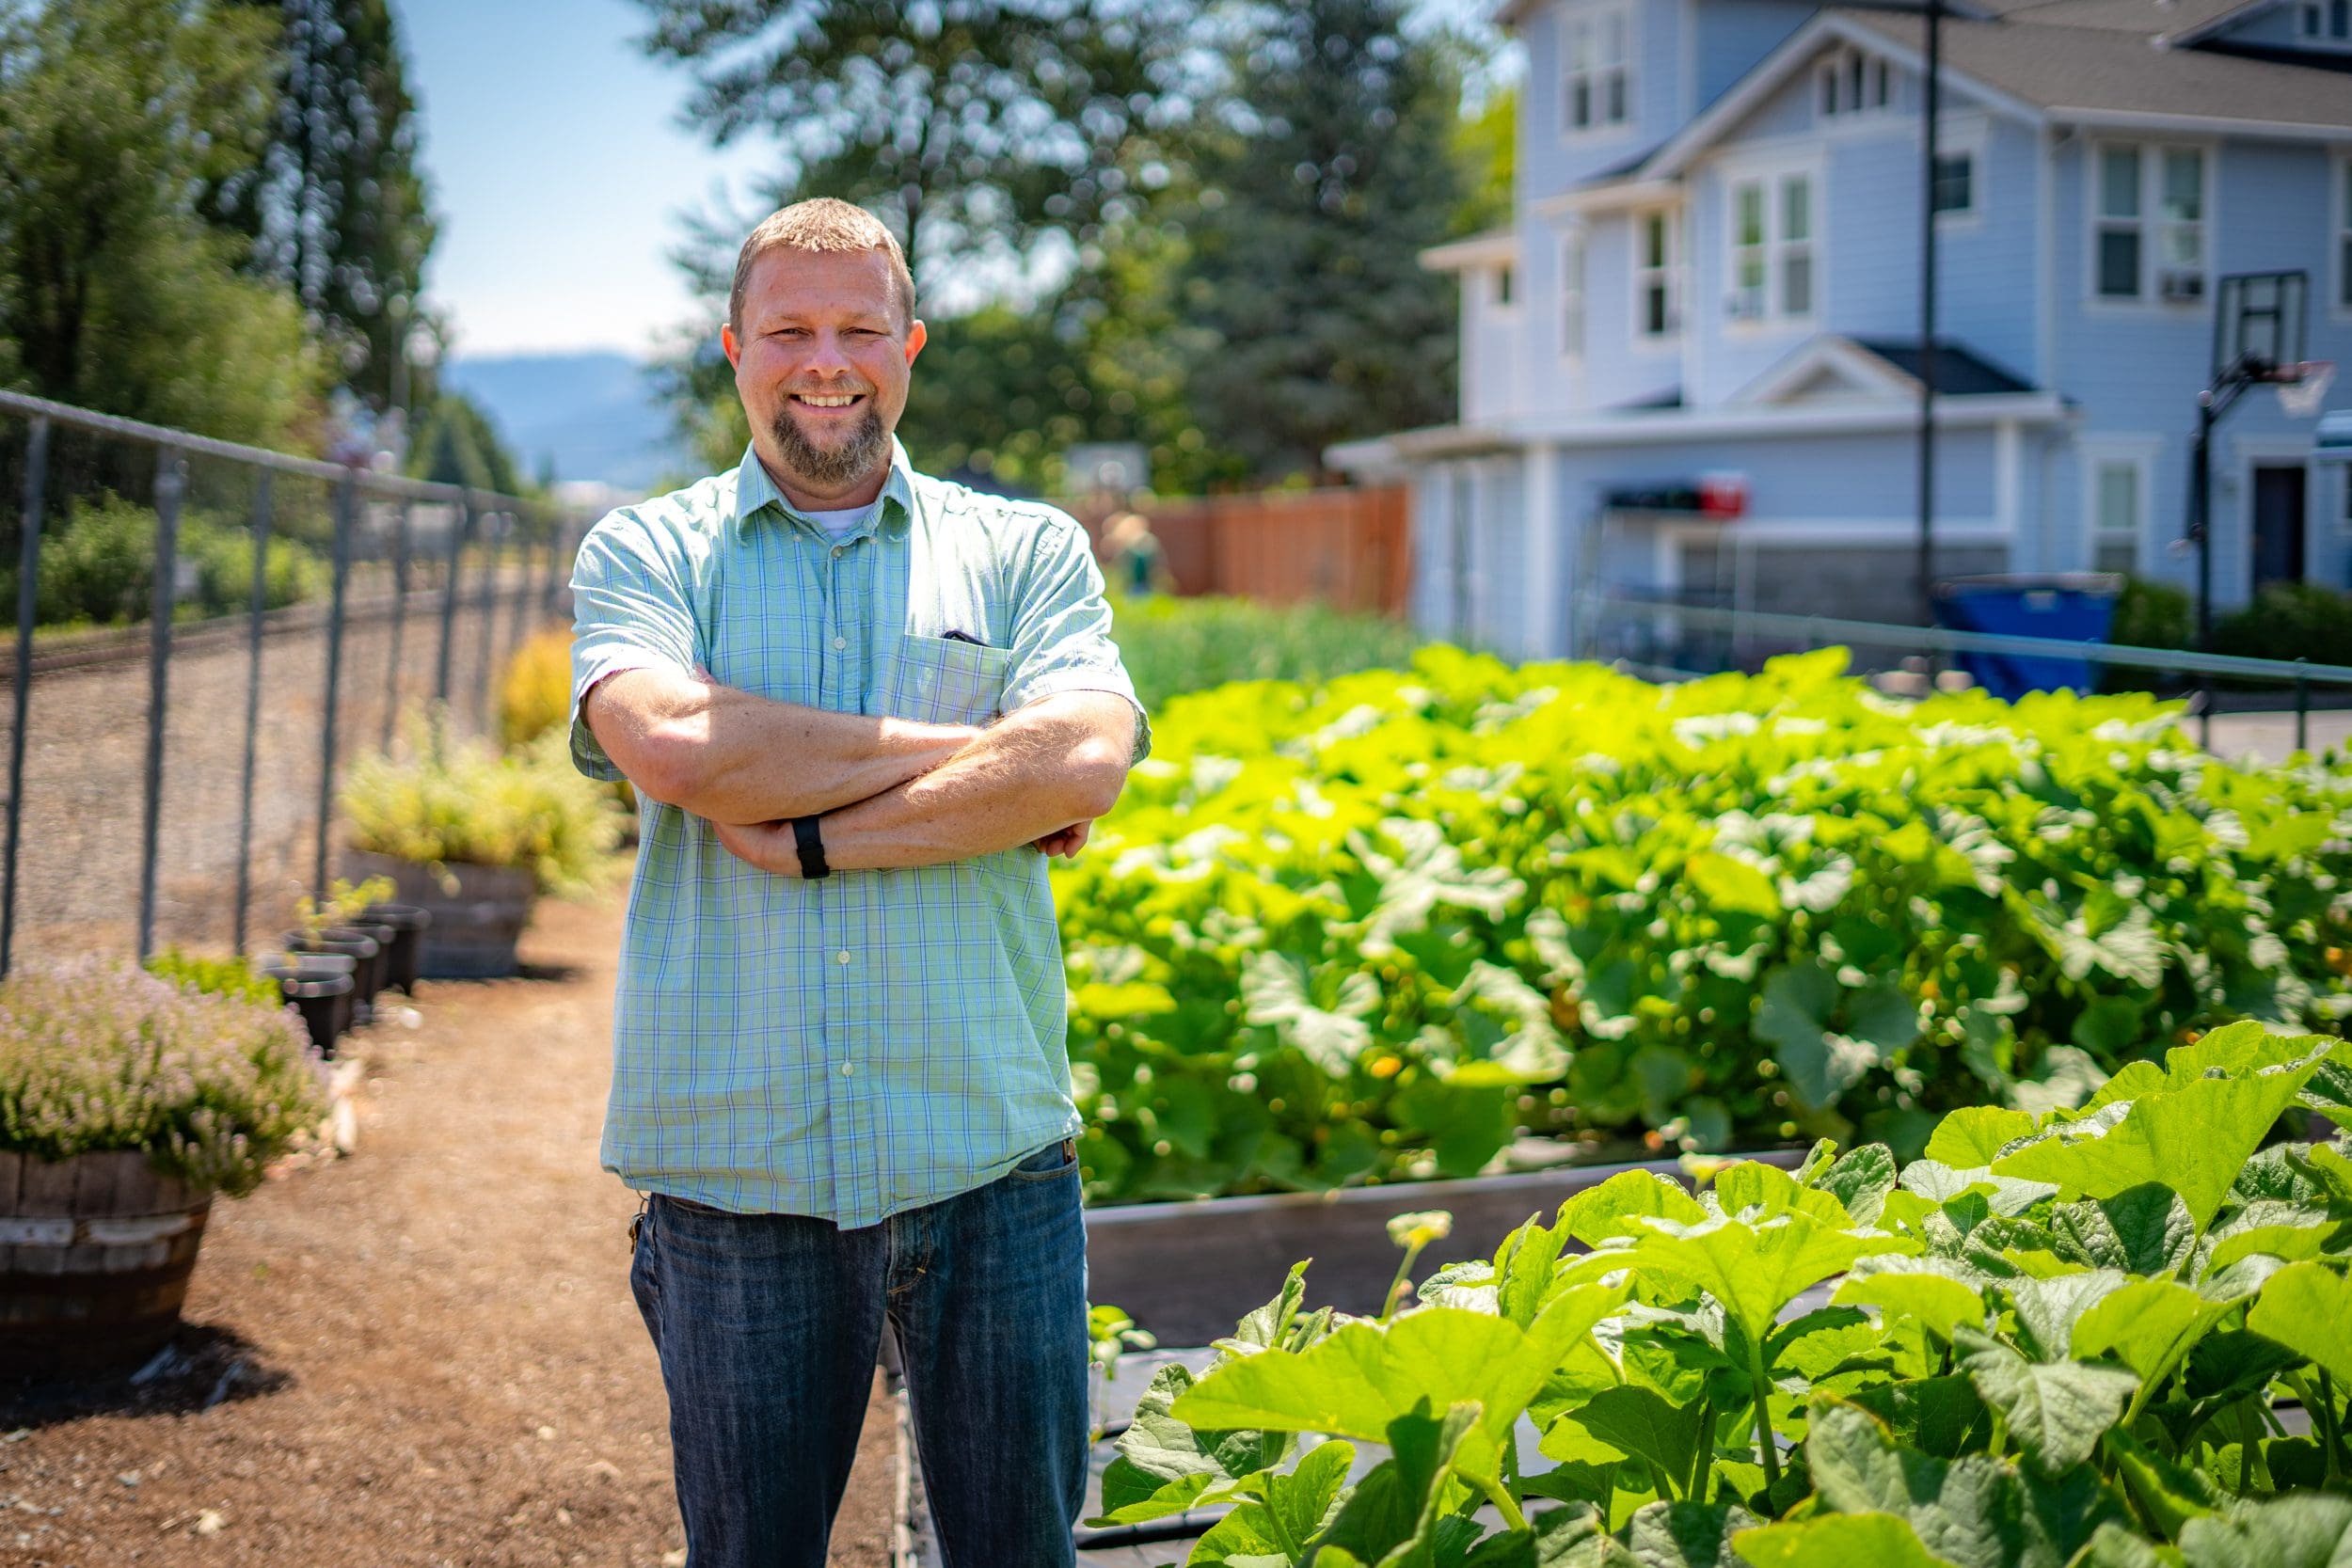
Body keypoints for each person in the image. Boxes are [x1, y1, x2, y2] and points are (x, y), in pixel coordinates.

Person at [565, 198, 1148, 1568]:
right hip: (737, 1173)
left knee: (1022, 1554)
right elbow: (666, 741)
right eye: (789, 329)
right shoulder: (647, 551)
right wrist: (990, 760)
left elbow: (1086, 759)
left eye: (858, 329)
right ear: (732, 350)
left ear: (910, 346)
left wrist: (810, 824)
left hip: (988, 1158)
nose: (825, 359)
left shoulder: (1025, 549)